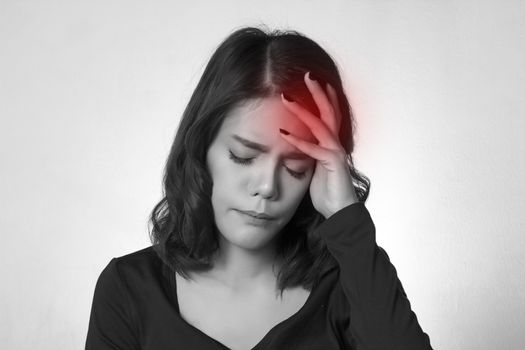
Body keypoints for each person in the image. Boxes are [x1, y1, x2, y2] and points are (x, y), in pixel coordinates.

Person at [85, 26, 433, 350]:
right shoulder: (128, 290)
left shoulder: (348, 292)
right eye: (242, 156)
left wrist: (345, 215)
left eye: (296, 168)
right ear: (201, 148)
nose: (267, 187)